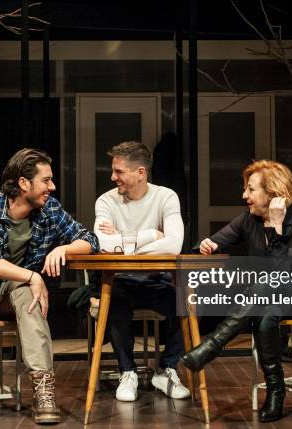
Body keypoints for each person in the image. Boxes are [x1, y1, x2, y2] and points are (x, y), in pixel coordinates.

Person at [0, 148, 99, 424]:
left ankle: (42, 387)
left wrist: (64, 248)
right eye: (46, 180)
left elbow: (89, 239)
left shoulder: (49, 210)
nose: (52, 187)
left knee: (28, 290)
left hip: (7, 296)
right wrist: (32, 275)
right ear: (23, 183)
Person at [181, 160, 292, 422]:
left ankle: (212, 345)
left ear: (273, 192)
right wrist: (206, 245)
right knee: (264, 320)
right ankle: (276, 391)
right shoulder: (248, 221)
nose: (244, 196)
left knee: (268, 284)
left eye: (250, 190)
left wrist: (275, 228)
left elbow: (285, 271)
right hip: (271, 295)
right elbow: (211, 242)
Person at [93, 141, 190, 402]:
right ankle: (128, 372)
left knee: (192, 302)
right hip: (122, 281)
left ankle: (167, 368)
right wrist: (149, 235)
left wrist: (125, 245)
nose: (113, 177)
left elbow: (173, 244)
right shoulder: (106, 201)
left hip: (157, 280)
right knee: (113, 303)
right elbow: (103, 244)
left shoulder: (166, 196)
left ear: (140, 172)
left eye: (119, 171)